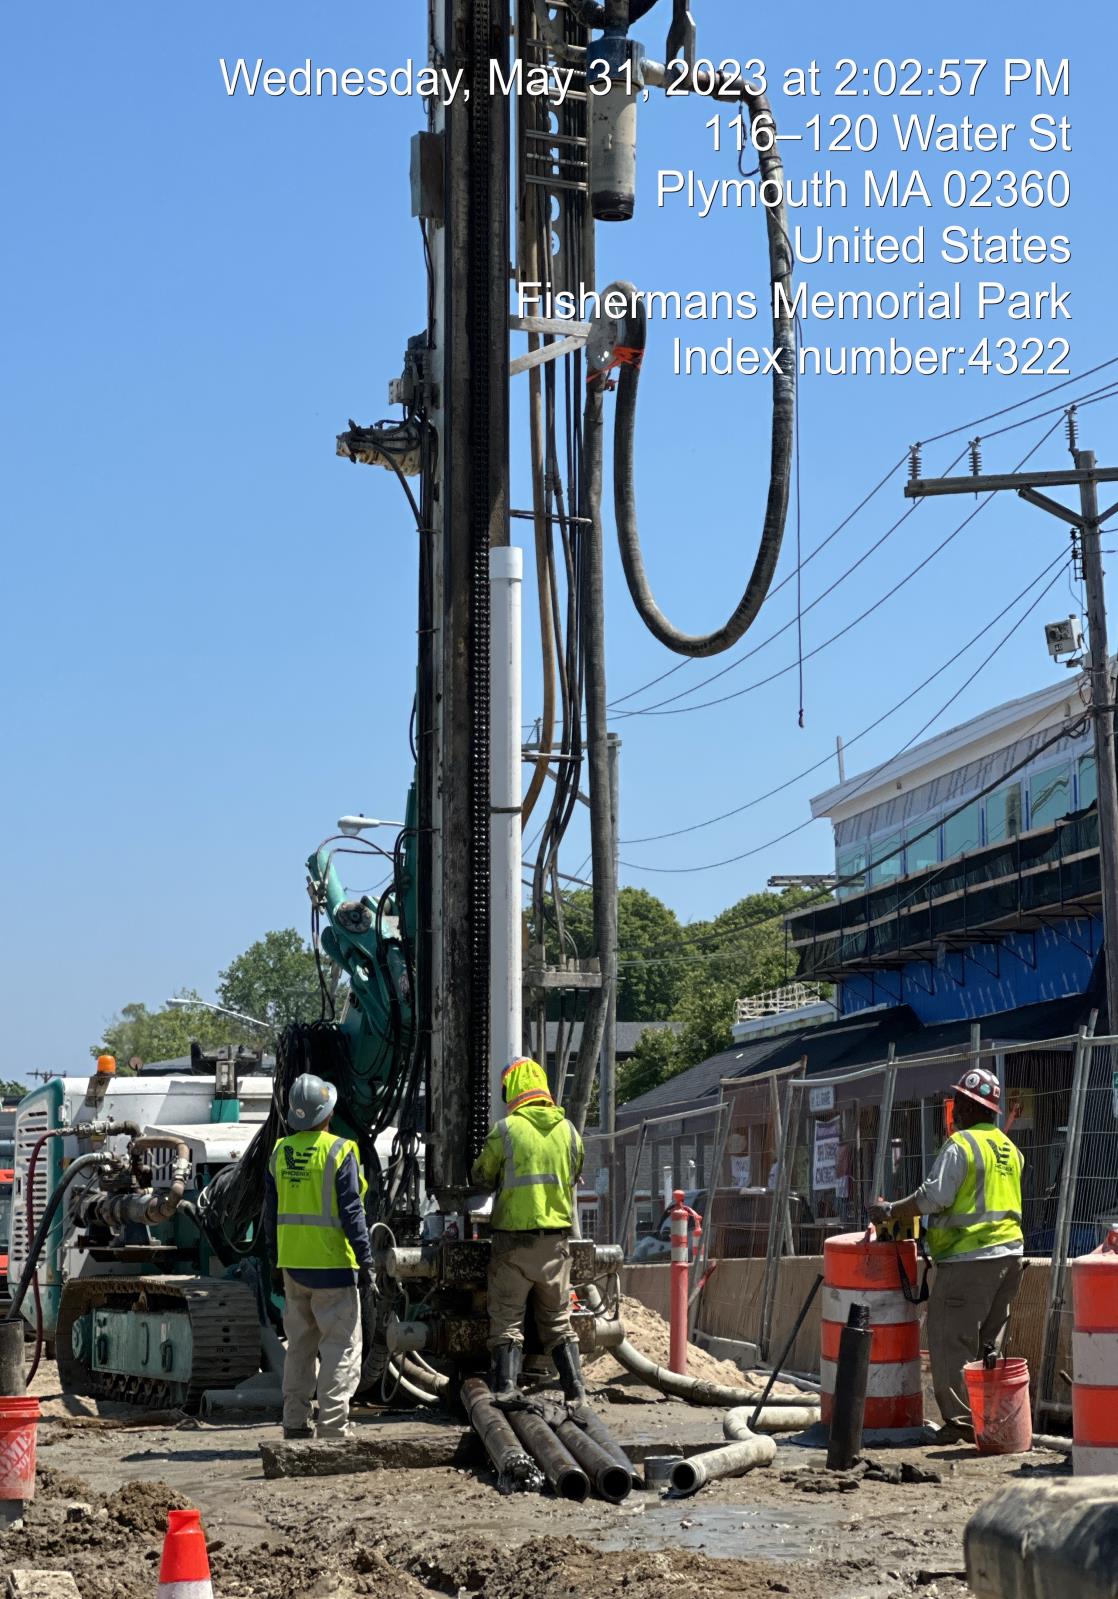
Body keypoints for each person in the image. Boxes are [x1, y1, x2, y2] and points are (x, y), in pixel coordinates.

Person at [870, 1065, 1024, 1443]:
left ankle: (960, 1425)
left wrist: (890, 1211)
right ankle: (992, 1422)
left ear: (973, 1109)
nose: (953, 1111)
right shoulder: (1010, 1149)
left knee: (950, 1340)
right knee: (987, 1346)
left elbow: (933, 1198)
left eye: (959, 1104)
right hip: (1010, 1259)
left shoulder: (961, 1146)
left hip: (968, 1261)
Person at [470, 1056, 586, 1409]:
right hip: (555, 1243)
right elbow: (576, 1169)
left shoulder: (506, 1130)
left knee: (507, 1319)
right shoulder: (568, 1131)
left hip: (512, 1243)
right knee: (558, 1322)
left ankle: (506, 1387)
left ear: (514, 1089)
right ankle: (576, 1393)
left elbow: (481, 1175)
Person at [263, 1072, 374, 1440]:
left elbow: (270, 1215)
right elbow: (352, 1213)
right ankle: (333, 1428)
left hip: (293, 1267)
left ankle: (294, 1423)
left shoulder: (280, 1152)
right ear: (328, 1112)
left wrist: (273, 1260)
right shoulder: (340, 1151)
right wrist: (368, 1261)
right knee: (339, 1349)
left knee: (299, 1347)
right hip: (335, 1268)